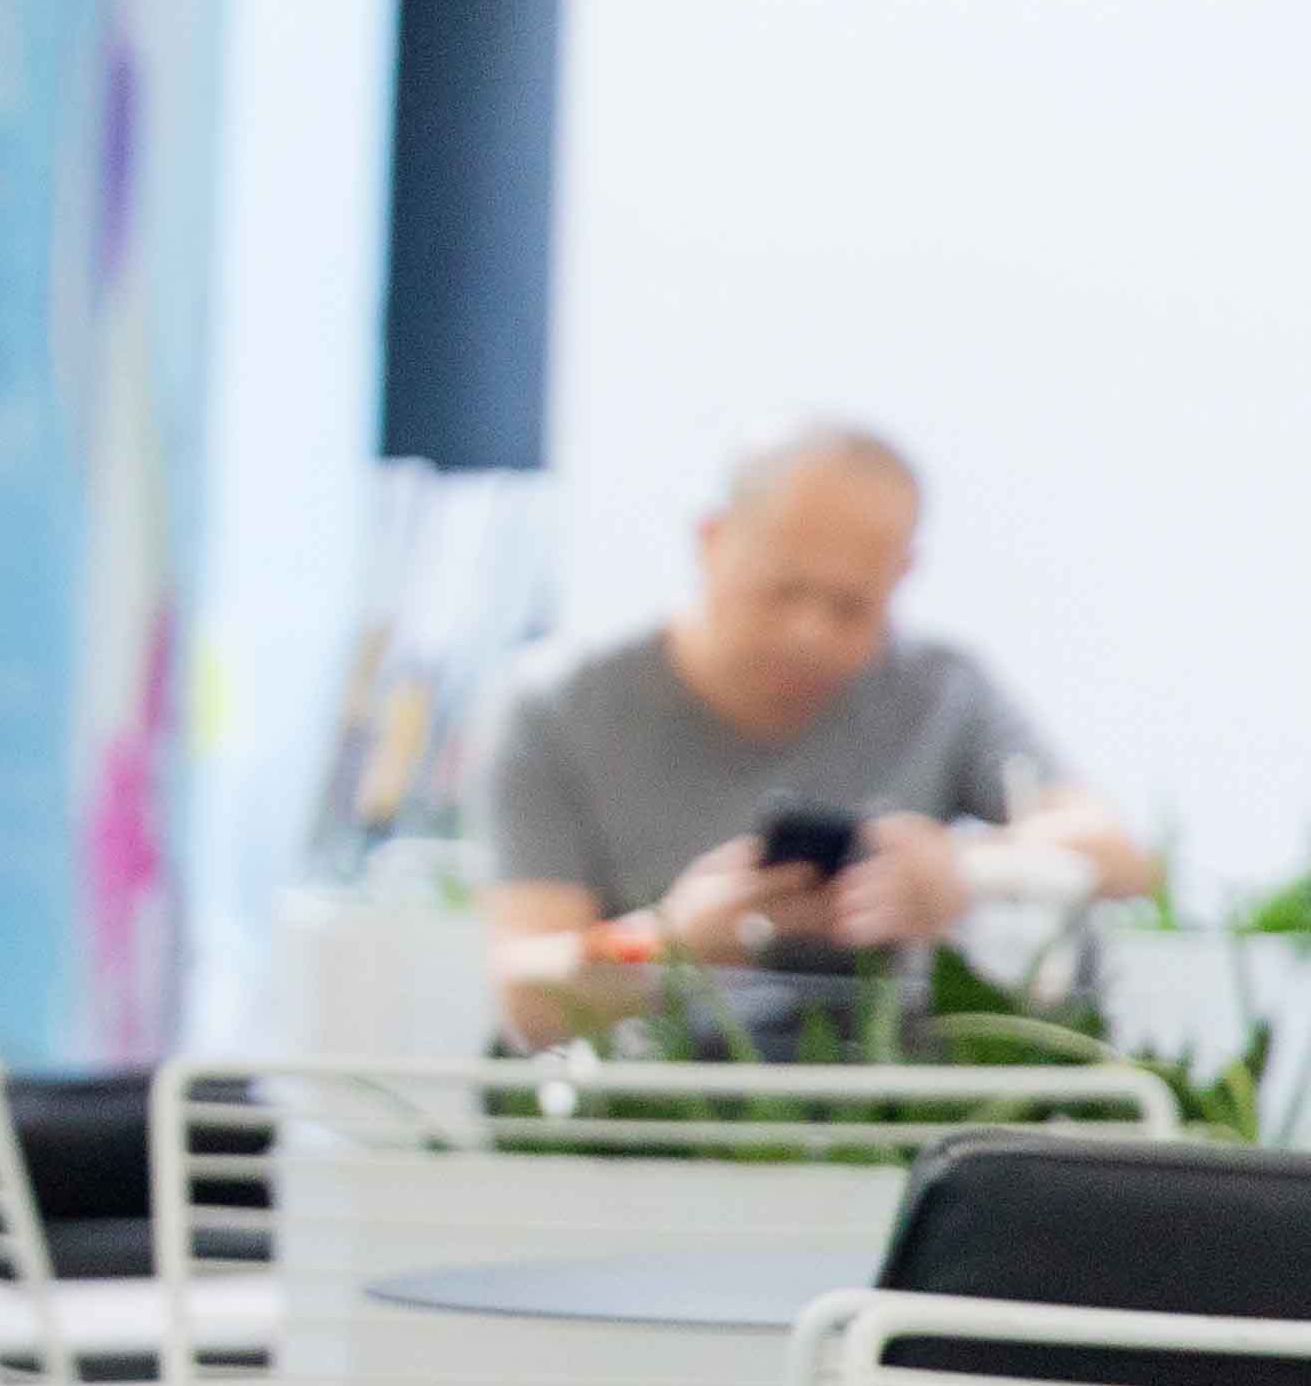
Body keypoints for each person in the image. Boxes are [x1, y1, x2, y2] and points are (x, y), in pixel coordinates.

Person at [481, 422, 1151, 1042]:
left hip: (893, 1095)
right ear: (712, 541)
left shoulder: (943, 692)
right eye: (781, 591)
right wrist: (670, 943)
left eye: (852, 606)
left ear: (901, 575)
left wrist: (961, 872)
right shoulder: (557, 704)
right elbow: (524, 993)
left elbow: (1118, 855)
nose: (811, 634)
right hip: (649, 1107)